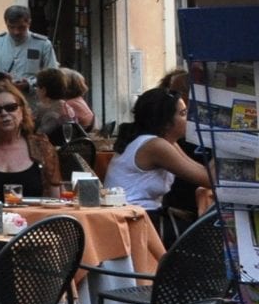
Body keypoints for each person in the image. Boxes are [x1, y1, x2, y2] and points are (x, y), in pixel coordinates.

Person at [105, 88, 212, 229]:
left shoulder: (165, 142)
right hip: (131, 221)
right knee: (210, 234)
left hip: (139, 215)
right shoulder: (155, 146)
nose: (190, 119)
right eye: (183, 114)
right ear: (166, 122)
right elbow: (210, 180)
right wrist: (224, 142)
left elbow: (203, 172)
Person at [0, 5, 57, 87]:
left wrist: (30, 84)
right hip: (3, 95)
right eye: (11, 27)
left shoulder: (43, 44)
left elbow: (53, 75)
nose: (16, 32)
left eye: (21, 27)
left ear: (29, 23)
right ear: (6, 23)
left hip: (31, 98)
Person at [31, 66, 95, 142]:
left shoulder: (43, 109)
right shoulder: (67, 106)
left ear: (44, 90)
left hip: (49, 150)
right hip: (68, 148)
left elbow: (38, 135)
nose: (35, 90)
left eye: (37, 87)